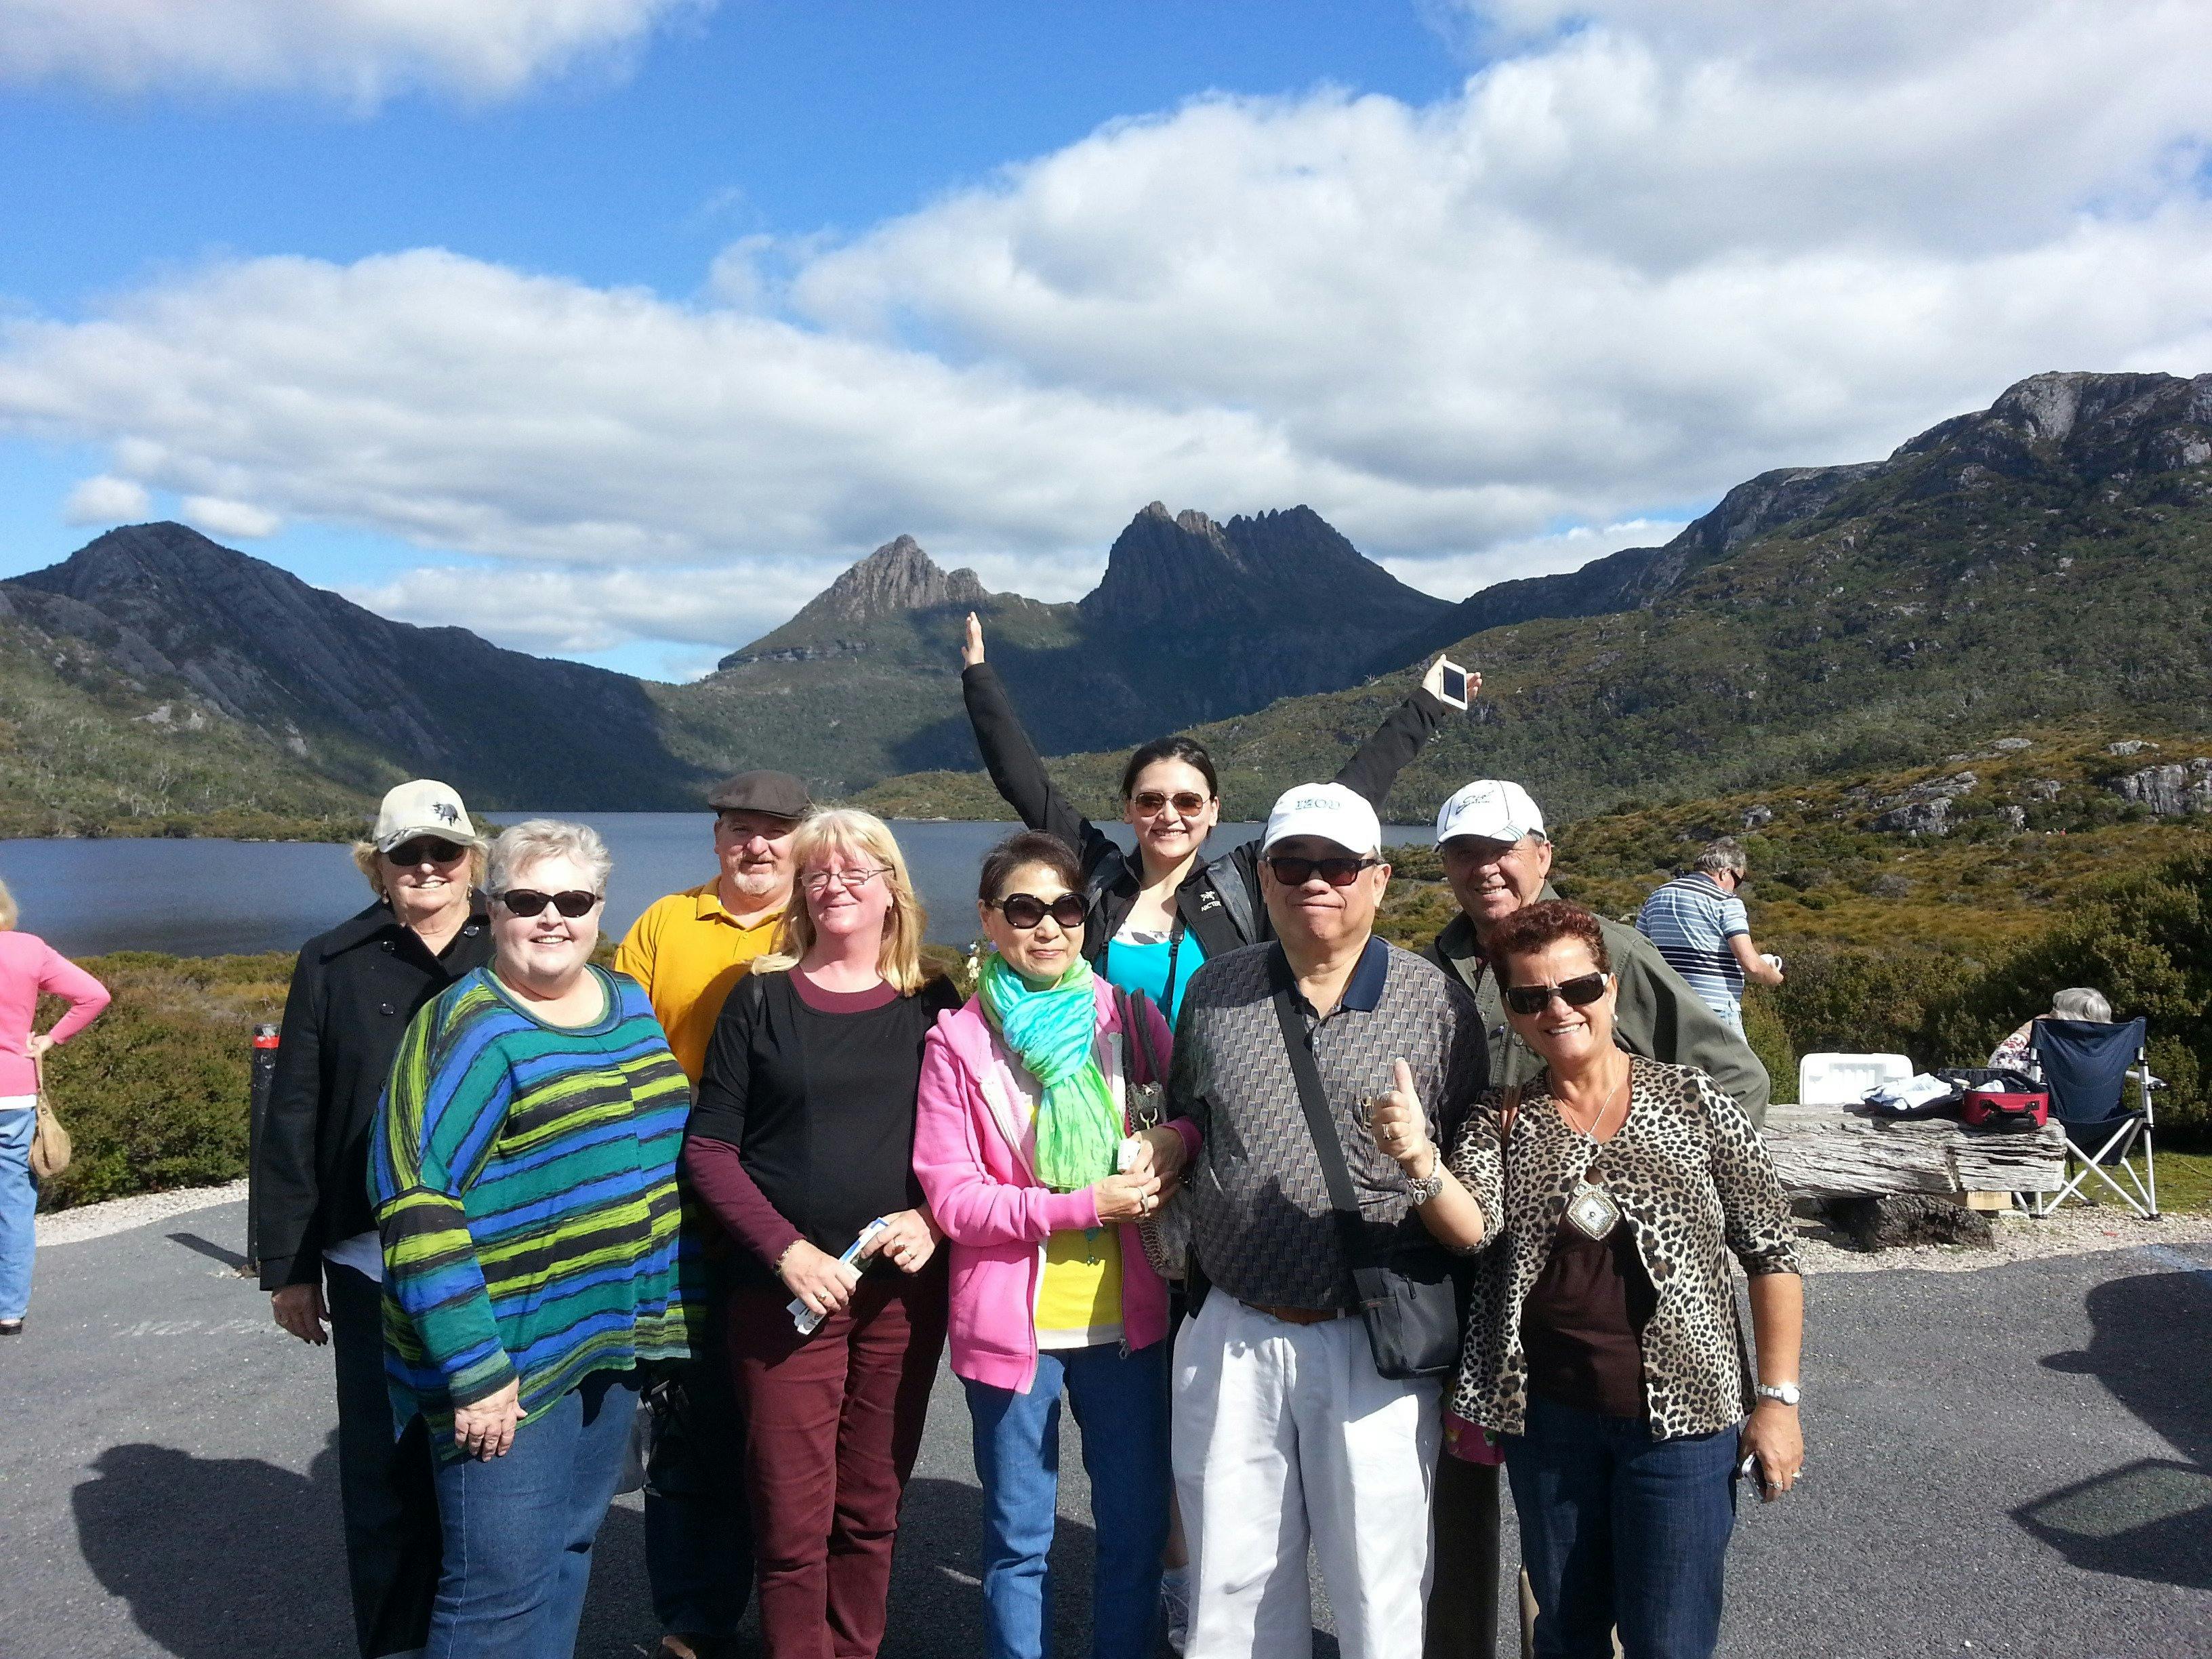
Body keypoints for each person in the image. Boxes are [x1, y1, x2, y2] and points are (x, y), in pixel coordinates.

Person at [1420, 780, 1771, 1659]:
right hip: (1473, 1281)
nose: (1486, 868)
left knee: (1589, 1577)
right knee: (1468, 1517)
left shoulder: (1609, 951)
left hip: (1604, 1313)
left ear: (1544, 853)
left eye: (1504, 849)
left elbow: (1735, 1080)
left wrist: (1651, 1194)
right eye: (1465, 852)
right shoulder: (1436, 968)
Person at [1168, 782, 1486, 1659]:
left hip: (1372, 1336)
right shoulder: (1215, 990)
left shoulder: (1435, 1004)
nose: (1317, 882)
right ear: (1264, 879)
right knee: (1228, 1588)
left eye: (1339, 864)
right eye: (1293, 863)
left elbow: (1467, 1168)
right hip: (1234, 1323)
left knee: (1379, 1587)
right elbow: (1196, 1112)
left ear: (1378, 880)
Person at [373, 819, 698, 1659]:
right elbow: (416, 1205)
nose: (552, 917)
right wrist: (475, 1374)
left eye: (574, 900)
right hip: (508, 1362)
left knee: (568, 1554)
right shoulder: (469, 1026)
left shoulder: (625, 1001)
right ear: (492, 909)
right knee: (497, 1595)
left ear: (599, 910)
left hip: (607, 1344)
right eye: (529, 900)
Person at [683, 810, 960, 1659]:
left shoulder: (934, 1001)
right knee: (793, 1513)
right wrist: (786, 1251)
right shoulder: (758, 997)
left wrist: (931, 1218)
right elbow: (710, 1148)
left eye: (856, 872)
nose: (836, 886)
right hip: (782, 1296)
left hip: (900, 1298)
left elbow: (973, 1143)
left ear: (891, 890)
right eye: (819, 874)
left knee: (872, 1504)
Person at [913, 830, 1191, 1659]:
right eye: (1023, 910)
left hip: (1130, 1325)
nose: (1047, 927)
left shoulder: (1128, 1019)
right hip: (1016, 1329)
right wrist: (1079, 1206)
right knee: (1018, 1541)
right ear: (989, 921)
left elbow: (1184, 1117)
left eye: (1064, 908)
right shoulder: (958, 1044)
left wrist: (1171, 1142)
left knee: (1135, 1536)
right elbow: (955, 1200)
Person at [958, 613, 1470, 1021]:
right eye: (1150, 801)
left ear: (1213, 812)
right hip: (1106, 1102)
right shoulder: (1100, 878)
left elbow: (1345, 796)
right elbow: (1024, 782)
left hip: (1208, 1111)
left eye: (1187, 802)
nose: (1169, 816)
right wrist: (979, 680)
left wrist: (1425, 707)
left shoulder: (1244, 883)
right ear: (1129, 810)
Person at [255, 780, 493, 1657]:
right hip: (367, 1260)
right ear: (378, 867)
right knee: (383, 1473)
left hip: (493, 1256)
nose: (427, 868)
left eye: (445, 851)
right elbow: (293, 1119)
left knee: (485, 1466)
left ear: (474, 859)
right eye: (407, 855)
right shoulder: (329, 961)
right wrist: (287, 1265)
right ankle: (395, 1643)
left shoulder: (517, 940)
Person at [617, 769, 811, 1659]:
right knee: (692, 1414)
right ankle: (695, 1617)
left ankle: (798, 1610)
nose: (757, 844)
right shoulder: (665, 922)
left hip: (795, 1202)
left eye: (775, 829)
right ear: (718, 837)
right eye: (741, 827)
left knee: (784, 1414)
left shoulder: (821, 918)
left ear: (802, 840)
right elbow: (624, 1046)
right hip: (686, 1203)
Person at [0, 876, 110, 1338]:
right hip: (13, 1096)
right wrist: (48, 1039)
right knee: (13, 1204)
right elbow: (94, 995)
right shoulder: (27, 949)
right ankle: (9, 1310)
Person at [1633, 838, 1783, 1032]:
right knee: (1736, 1064)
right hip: (1715, 1011)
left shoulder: (1657, 895)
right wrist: (1773, 977)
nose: (1735, 888)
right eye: (1738, 881)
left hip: (1667, 1008)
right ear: (1725, 872)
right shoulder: (1725, 901)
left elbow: (1639, 951)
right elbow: (1752, 965)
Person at [1990, 987, 2112, 1071]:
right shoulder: (2111, 1056)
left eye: (2055, 1010)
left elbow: (1998, 1062)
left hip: (2052, 1109)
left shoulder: (2052, 1056)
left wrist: (2027, 1029)